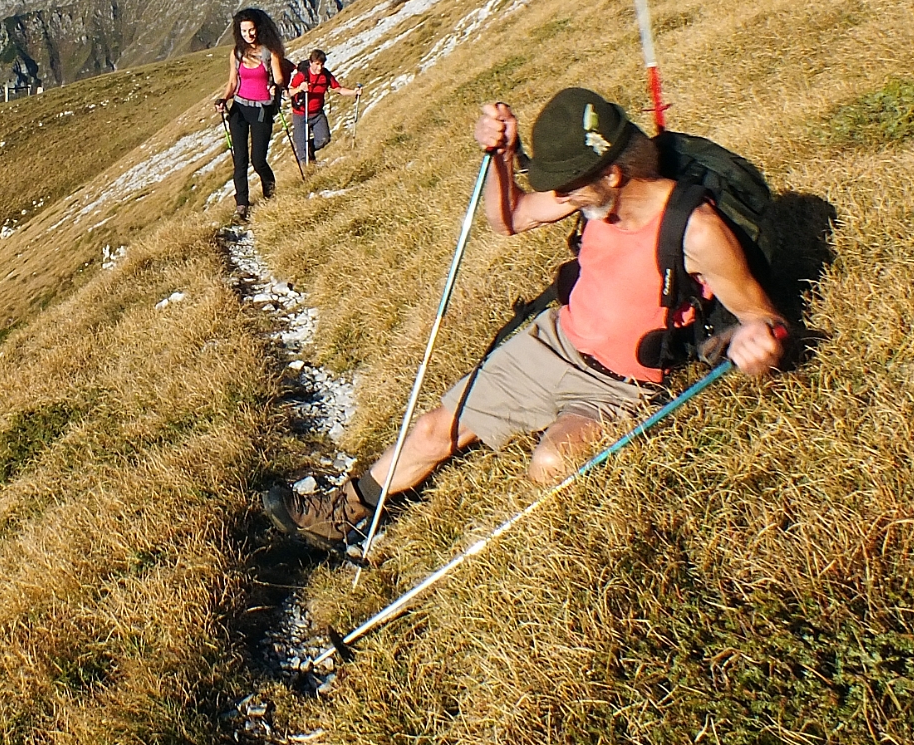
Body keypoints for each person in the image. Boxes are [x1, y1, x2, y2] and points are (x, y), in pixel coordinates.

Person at [263, 87, 787, 547]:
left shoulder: (695, 230)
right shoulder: (593, 196)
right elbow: (508, 218)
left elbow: (759, 315)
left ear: (612, 171)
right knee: (431, 428)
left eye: (568, 185)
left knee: (551, 465)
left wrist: (757, 341)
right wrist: (501, 157)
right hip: (553, 343)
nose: (558, 196)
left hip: (619, 387)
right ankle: (344, 514)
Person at [215, 8, 289, 222]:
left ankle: (270, 192)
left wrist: (276, 86)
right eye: (244, 30)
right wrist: (223, 99)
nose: (248, 34)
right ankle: (242, 205)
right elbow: (232, 82)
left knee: (258, 159)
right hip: (239, 108)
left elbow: (278, 78)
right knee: (240, 159)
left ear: (259, 29)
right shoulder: (237, 53)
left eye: (252, 29)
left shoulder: (269, 52)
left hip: (261, 109)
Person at [287, 49, 359, 165]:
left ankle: (306, 148)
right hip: (300, 114)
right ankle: (306, 167)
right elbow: (289, 92)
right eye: (317, 64)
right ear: (311, 63)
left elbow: (338, 89)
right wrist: (300, 88)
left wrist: (354, 92)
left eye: (322, 64)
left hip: (317, 113)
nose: (319, 67)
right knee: (303, 157)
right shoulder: (302, 76)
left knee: (324, 139)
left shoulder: (325, 75)